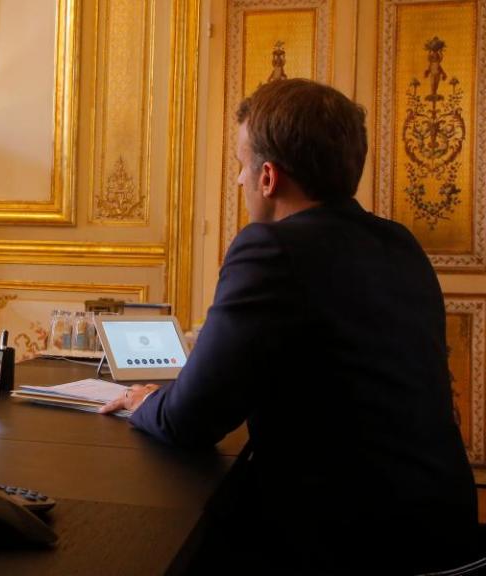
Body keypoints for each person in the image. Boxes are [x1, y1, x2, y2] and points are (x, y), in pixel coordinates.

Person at [100, 79, 478, 574]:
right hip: (450, 537)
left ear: (268, 177)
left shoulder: (271, 249)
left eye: (241, 164)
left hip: (354, 549)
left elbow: (188, 422)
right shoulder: (398, 243)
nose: (238, 180)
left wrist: (143, 400)